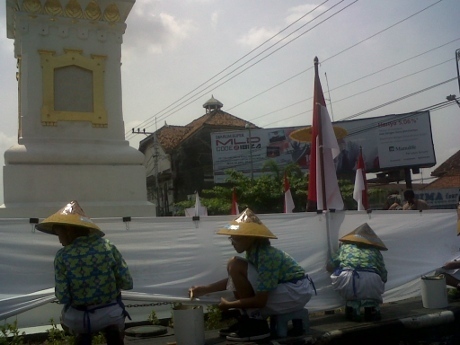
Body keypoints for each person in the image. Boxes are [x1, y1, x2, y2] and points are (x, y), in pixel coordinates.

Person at [188, 208, 316, 342]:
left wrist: (230, 304)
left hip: (294, 292)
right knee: (234, 265)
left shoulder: (266, 256)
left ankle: (255, 323)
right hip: (289, 290)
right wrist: (204, 289)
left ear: (250, 238)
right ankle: (249, 319)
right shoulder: (254, 252)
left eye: (236, 238)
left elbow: (261, 300)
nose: (232, 241)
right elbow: (239, 279)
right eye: (231, 237)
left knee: (234, 264)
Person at [35, 201, 133, 345]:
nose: (60, 240)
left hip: (79, 318)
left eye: (59, 234)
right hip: (110, 313)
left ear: (69, 230)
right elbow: (127, 283)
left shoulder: (62, 256)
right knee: (114, 320)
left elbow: (63, 296)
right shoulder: (108, 247)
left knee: (76, 324)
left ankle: (83, 336)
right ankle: (113, 334)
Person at [326, 223, 388, 321]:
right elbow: (383, 273)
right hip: (372, 281)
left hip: (350, 281)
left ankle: (352, 310)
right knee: (372, 295)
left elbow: (330, 266)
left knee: (342, 278)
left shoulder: (345, 247)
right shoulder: (375, 251)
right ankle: (372, 310)